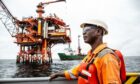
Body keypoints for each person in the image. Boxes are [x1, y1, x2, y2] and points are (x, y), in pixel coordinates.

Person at [49, 19, 126, 84]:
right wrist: (58, 74)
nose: (83, 33)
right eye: (83, 30)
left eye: (86, 29)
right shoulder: (91, 56)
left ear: (99, 31)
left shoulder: (107, 57)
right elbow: (76, 71)